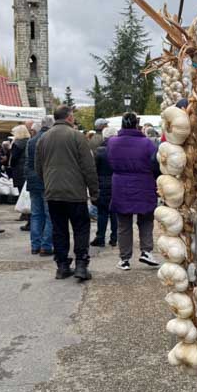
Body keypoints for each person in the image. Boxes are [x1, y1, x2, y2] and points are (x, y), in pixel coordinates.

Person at [35, 105, 99, 281]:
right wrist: (94, 192)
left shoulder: (43, 138)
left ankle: (62, 265)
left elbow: (38, 167)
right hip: (74, 192)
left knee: (59, 229)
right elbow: (88, 167)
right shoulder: (76, 136)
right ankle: (81, 264)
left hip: (53, 192)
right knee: (81, 228)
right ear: (69, 117)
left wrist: (48, 182)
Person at [107, 112, 160, 270]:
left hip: (120, 184)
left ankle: (124, 258)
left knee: (123, 223)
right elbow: (155, 164)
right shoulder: (147, 143)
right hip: (144, 183)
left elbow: (110, 162)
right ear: (137, 124)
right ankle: (146, 251)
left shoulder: (112, 142)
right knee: (146, 219)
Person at [25, 115, 54, 256]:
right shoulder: (51, 139)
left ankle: (35, 245)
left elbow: (28, 163)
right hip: (47, 180)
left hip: (33, 180)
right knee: (49, 214)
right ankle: (46, 245)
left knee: (36, 214)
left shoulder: (31, 141)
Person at [92, 126, 119, 247]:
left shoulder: (99, 151)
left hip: (102, 184)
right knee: (114, 213)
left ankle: (100, 237)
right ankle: (114, 238)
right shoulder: (119, 151)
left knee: (102, 213)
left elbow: (94, 169)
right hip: (116, 183)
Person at [9, 124, 31, 230]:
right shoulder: (29, 141)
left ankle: (25, 213)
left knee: (21, 192)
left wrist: (10, 165)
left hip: (18, 169)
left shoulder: (17, 143)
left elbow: (14, 158)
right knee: (26, 193)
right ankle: (26, 214)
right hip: (27, 169)